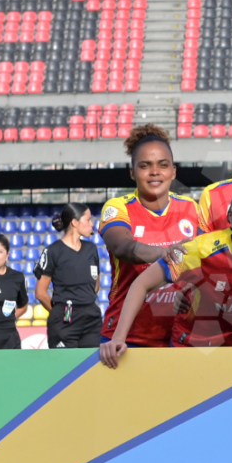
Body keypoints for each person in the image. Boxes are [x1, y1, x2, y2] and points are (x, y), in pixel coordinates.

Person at [99, 184, 232, 362]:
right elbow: (141, 284)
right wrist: (118, 338)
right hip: (197, 346)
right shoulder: (200, 250)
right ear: (230, 219)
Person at [99, 125, 199, 347]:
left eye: (163, 165)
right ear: (133, 172)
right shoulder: (118, 207)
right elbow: (122, 247)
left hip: (179, 336)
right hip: (125, 338)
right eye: (145, 166)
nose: (155, 172)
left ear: (173, 171)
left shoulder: (191, 208)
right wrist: (165, 253)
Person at [35, 203, 102, 349]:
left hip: (92, 318)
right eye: (88, 219)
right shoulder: (52, 251)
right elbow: (40, 293)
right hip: (64, 320)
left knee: (92, 362)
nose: (92, 224)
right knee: (65, 363)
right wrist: (60, 312)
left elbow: (96, 285)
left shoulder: (92, 249)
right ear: (75, 222)